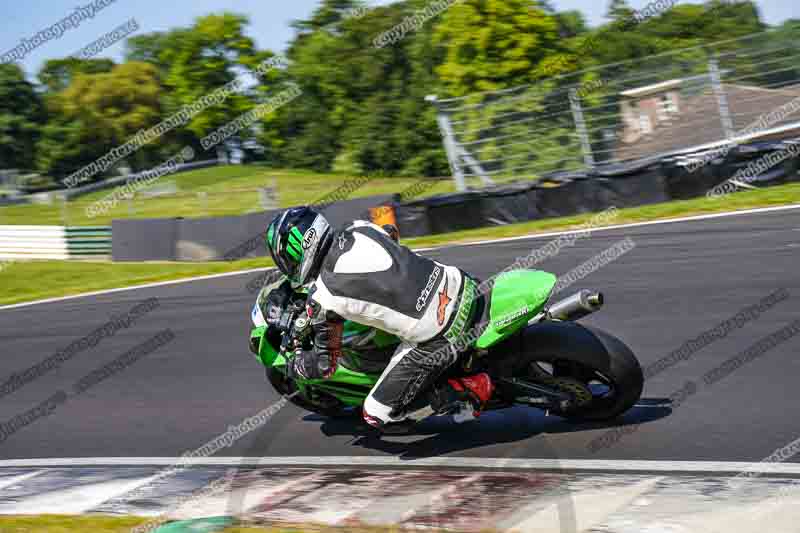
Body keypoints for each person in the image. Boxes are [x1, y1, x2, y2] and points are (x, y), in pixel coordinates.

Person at [263, 206, 494, 433]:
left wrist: (296, 364)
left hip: (443, 334)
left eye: (285, 260)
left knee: (376, 415)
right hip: (464, 284)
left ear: (296, 252)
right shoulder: (359, 227)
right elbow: (391, 233)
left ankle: (466, 389)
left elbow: (325, 366)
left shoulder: (324, 297)